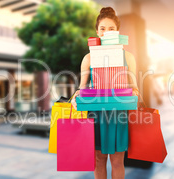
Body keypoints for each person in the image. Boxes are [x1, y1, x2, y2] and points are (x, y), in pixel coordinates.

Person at [71, 7, 139, 179]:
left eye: (111, 29)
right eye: (102, 29)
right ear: (97, 32)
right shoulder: (88, 58)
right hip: (96, 115)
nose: (106, 33)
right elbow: (82, 88)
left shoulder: (128, 57)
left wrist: (135, 94)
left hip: (119, 116)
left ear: (117, 32)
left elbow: (135, 87)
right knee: (98, 161)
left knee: (117, 162)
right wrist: (75, 97)